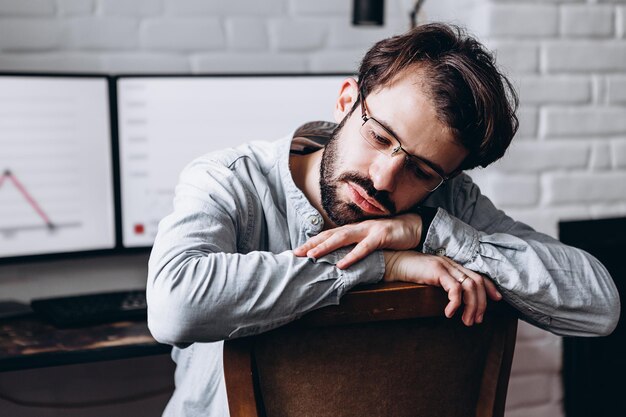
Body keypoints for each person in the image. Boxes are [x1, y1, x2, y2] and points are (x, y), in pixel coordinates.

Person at [147, 23, 620, 416]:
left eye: (420, 170)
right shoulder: (230, 180)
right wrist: (384, 266)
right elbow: (175, 306)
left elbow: (599, 308)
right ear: (346, 100)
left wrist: (431, 232)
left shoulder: (449, 200)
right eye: (378, 137)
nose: (382, 179)